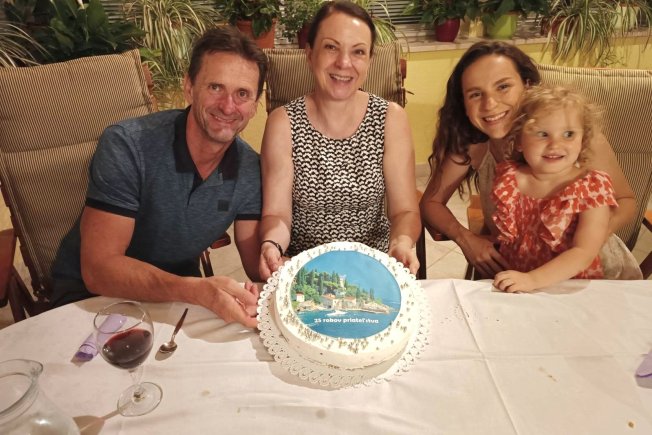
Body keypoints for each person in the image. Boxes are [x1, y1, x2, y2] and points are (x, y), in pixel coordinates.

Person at [50, 26, 268, 328]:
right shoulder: (127, 145)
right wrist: (194, 289)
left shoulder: (249, 169)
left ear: (255, 105)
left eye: (242, 94)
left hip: (178, 300)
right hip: (91, 301)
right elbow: (99, 270)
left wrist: (294, 266)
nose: (228, 106)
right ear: (189, 87)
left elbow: (257, 264)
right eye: (216, 87)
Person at [419, 41, 637, 279]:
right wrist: (466, 238)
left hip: (592, 274)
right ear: (464, 104)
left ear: (528, 85)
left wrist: (589, 241)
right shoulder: (475, 144)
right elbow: (431, 202)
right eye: (476, 94)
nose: (490, 104)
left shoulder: (575, 140)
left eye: (503, 86)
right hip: (516, 269)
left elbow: (626, 201)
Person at [258, 1, 420, 279]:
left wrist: (402, 242)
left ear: (369, 60)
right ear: (310, 53)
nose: (344, 63)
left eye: (358, 51)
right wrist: (272, 244)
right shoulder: (282, 122)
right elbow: (277, 214)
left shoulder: (391, 118)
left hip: (373, 269)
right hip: (306, 272)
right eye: (331, 47)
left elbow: (404, 210)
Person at [491, 85, 642, 292]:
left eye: (569, 134)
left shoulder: (590, 188)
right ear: (519, 141)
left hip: (567, 285)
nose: (555, 144)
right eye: (542, 134)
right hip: (516, 280)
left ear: (583, 141)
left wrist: (532, 280)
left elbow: (584, 252)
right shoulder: (509, 178)